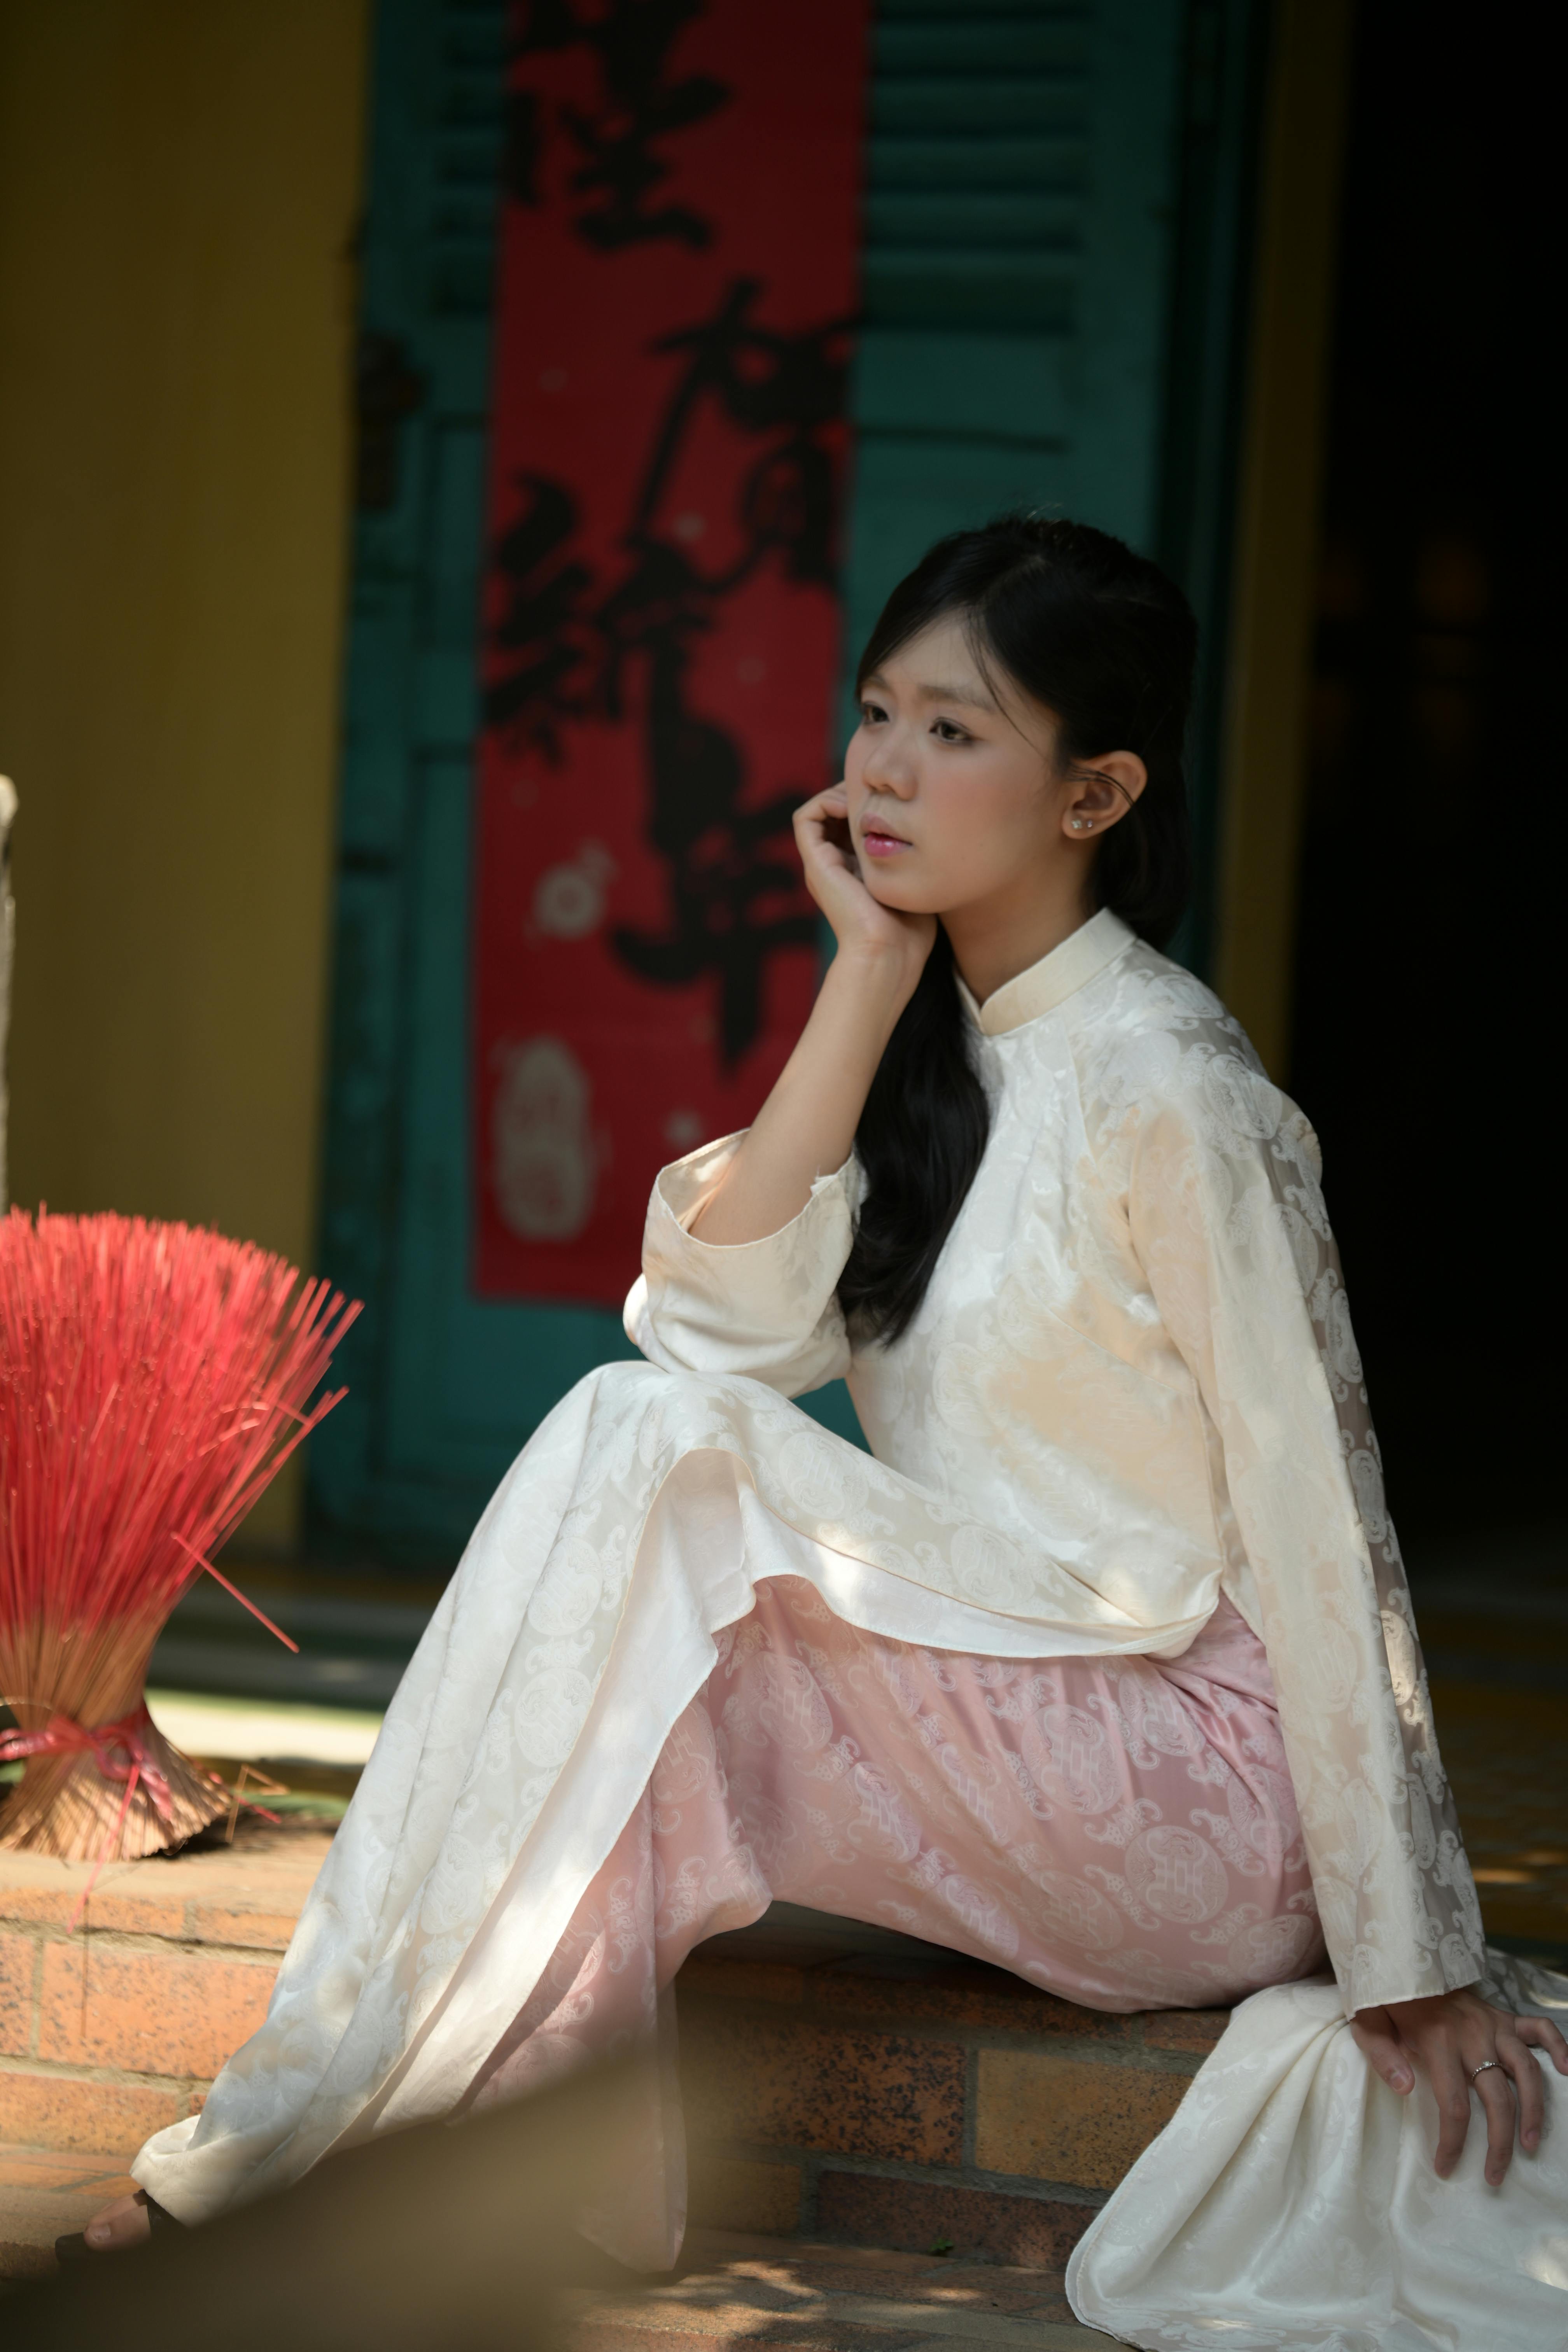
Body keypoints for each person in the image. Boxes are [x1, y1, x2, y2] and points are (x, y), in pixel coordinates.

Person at [85, 516, 1566, 2341]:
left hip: (1201, 1790)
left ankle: (296, 2147)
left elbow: (1323, 1518)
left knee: (648, 1454)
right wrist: (864, 973)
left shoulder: (1181, 1093)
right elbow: (713, 1322)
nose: (881, 765)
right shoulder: (933, 1045)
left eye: (957, 731)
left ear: (1097, 792)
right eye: (878, 710)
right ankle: (498, 2164)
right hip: (1025, 1709)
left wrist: (1410, 1950)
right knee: (640, 1583)